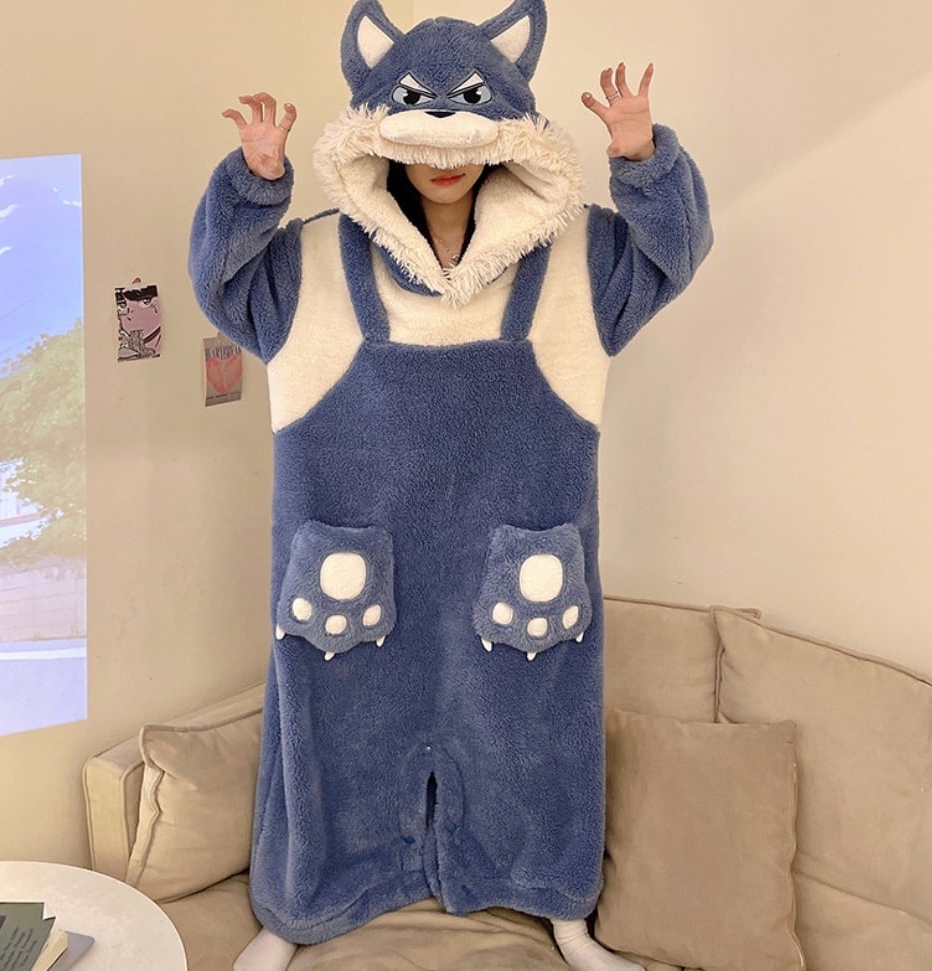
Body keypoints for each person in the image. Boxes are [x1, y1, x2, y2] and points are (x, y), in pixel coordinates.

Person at [189, 2, 712, 969]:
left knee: (533, 730)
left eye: (467, 121)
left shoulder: (574, 258)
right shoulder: (311, 261)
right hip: (353, 563)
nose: (443, 150)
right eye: (417, 124)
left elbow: (669, 257)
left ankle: (559, 907)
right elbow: (224, 287)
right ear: (378, 134)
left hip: (515, 564)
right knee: (332, 727)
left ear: (506, 134)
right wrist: (254, 186)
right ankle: (296, 909)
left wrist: (642, 161)